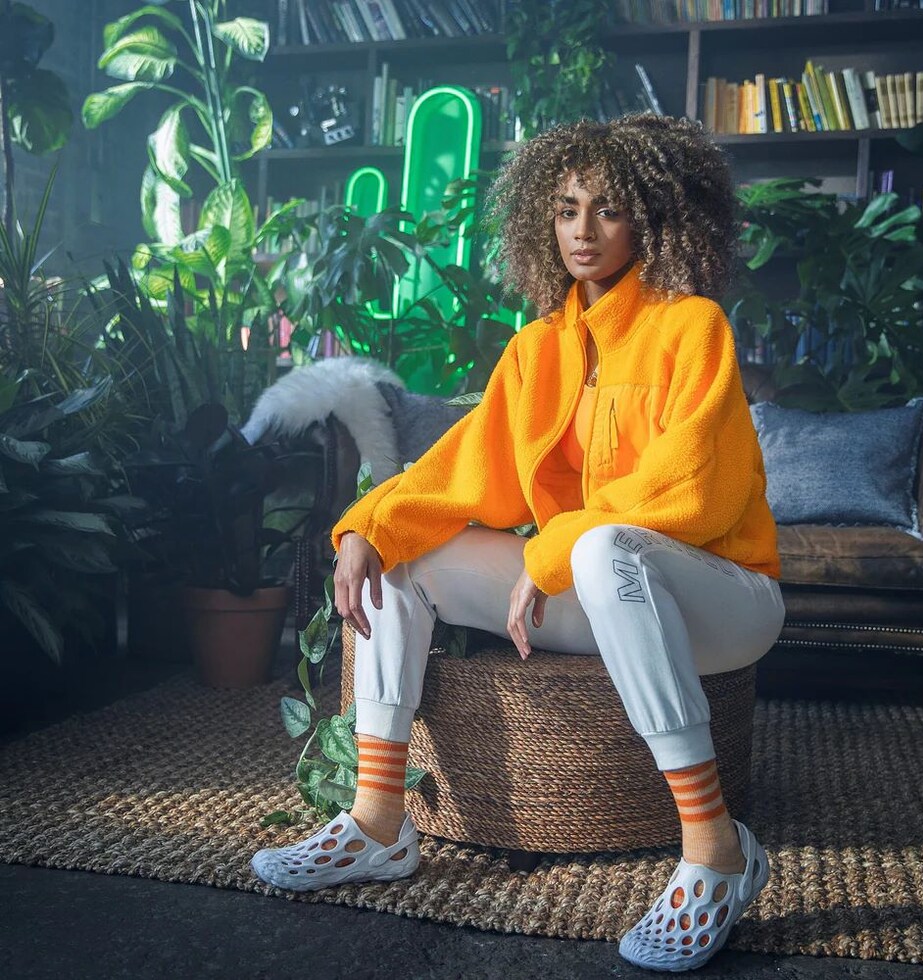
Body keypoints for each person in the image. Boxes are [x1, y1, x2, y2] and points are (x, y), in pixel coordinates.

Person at [251, 112, 785, 973]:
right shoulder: (538, 349)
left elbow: (692, 489)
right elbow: (462, 467)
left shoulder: (693, 328)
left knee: (604, 549)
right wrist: (369, 527)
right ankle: (379, 822)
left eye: (607, 209)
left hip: (724, 597)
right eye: (567, 209)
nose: (583, 230)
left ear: (652, 217)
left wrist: (553, 549)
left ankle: (717, 850)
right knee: (406, 555)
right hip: (602, 589)